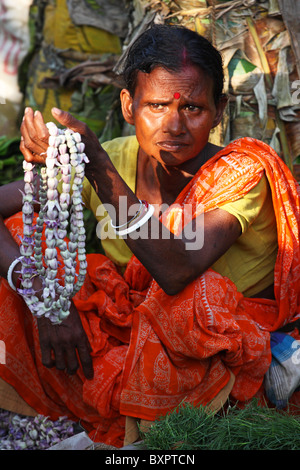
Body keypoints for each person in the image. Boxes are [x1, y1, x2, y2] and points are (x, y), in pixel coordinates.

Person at [0, 23, 300, 448]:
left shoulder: (242, 173)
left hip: (211, 349)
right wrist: (45, 301)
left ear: (219, 109)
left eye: (192, 108)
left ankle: (151, 423)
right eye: (157, 105)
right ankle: (67, 409)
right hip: (132, 332)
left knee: (198, 297)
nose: (173, 125)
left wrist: (97, 168)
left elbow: (176, 270)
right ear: (128, 104)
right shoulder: (117, 158)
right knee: (28, 248)